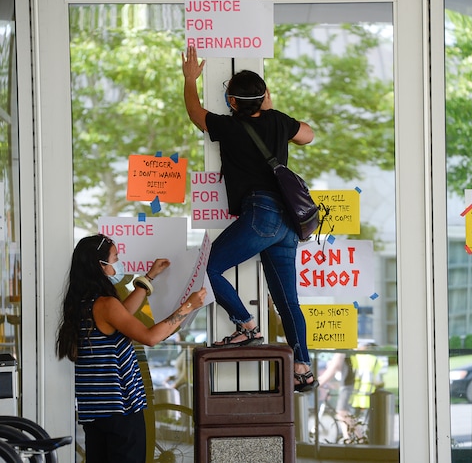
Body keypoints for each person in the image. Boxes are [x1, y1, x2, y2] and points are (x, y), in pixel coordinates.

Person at [181, 46, 318, 392]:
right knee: (288, 301)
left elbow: (196, 114)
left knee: (208, 267)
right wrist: (270, 108)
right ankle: (303, 367)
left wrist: (189, 79)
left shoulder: (229, 127)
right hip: (288, 224)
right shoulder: (278, 121)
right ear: (264, 97)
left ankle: (246, 326)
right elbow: (308, 135)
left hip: (262, 214)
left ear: (232, 102)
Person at [55, 234, 208, 463]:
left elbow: (122, 314)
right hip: (121, 411)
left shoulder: (83, 302)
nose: (118, 261)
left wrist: (148, 278)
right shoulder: (105, 304)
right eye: (115, 257)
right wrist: (188, 307)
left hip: (95, 412)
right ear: (101, 265)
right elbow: (150, 337)